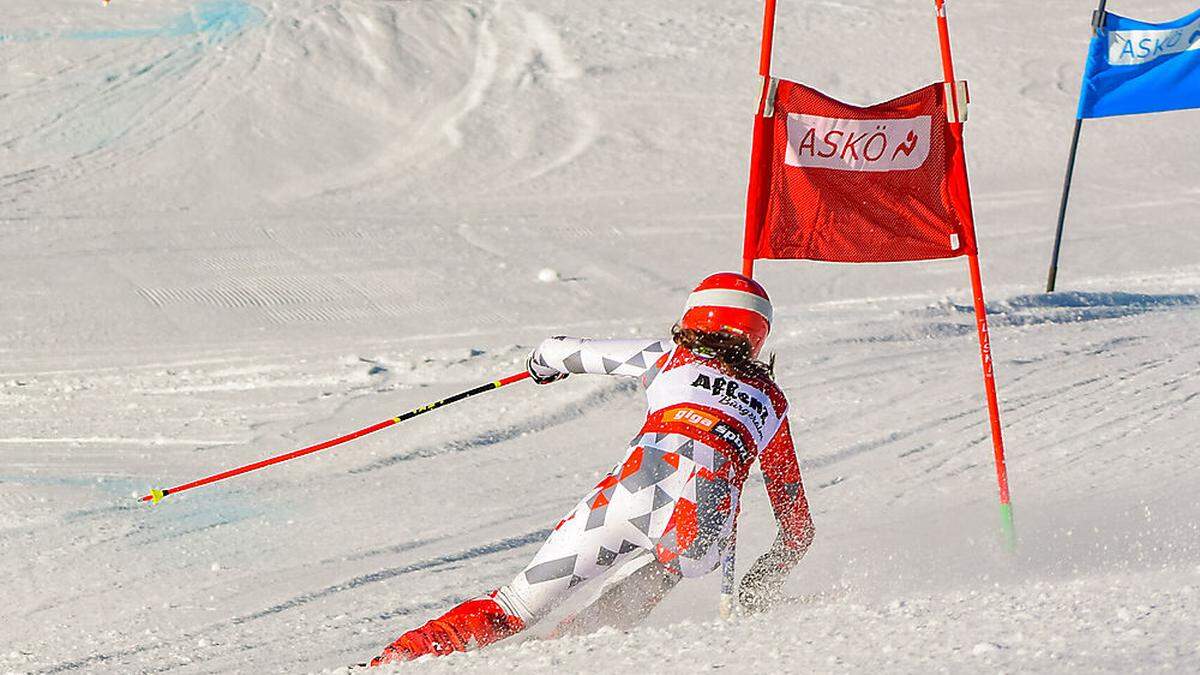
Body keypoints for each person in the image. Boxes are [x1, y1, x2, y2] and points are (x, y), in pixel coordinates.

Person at [370, 272, 814, 666]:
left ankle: (393, 662)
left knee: (512, 608)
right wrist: (759, 587)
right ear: (758, 335)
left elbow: (556, 351)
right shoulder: (772, 403)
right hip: (698, 529)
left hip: (630, 495)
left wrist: (541, 369)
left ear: (693, 317)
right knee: (657, 575)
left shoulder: (670, 357)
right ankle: (567, 654)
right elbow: (797, 527)